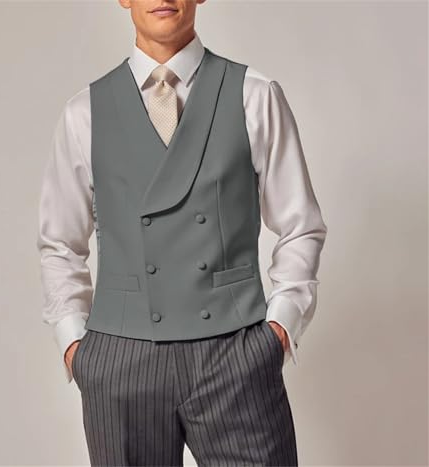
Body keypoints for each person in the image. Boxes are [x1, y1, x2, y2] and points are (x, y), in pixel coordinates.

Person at [37, 0, 327, 465]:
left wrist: (279, 330)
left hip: (234, 353)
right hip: (122, 362)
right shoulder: (83, 112)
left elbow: (300, 225)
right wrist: (76, 347)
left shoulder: (254, 94)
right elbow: (60, 244)